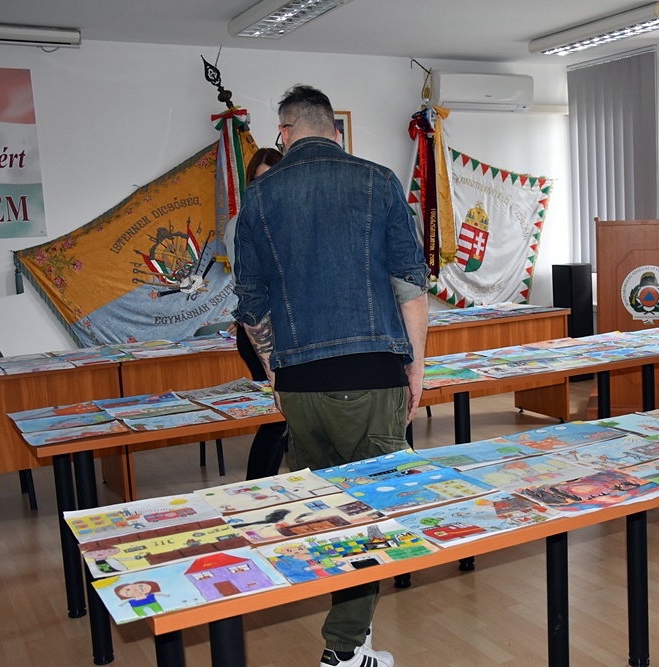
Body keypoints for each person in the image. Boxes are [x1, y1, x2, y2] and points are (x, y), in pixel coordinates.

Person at [234, 84, 430, 667]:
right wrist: (415, 366)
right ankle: (343, 650)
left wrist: (274, 371)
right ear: (335, 130)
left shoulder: (259, 197)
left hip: (300, 386)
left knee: (328, 514)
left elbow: (251, 305)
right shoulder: (379, 181)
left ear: (285, 133)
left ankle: (355, 645)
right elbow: (411, 286)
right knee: (372, 514)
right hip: (372, 375)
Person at [224, 146, 289, 480]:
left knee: (292, 417)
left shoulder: (291, 220)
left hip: (291, 331)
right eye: (259, 180)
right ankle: (255, 489)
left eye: (273, 178)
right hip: (261, 333)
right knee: (277, 418)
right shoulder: (241, 224)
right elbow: (251, 288)